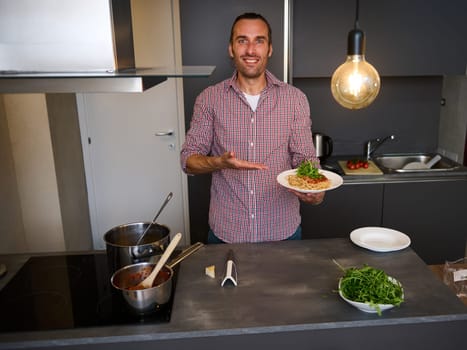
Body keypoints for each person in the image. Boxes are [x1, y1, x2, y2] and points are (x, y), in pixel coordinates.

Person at [180, 12, 324, 244]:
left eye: (259, 40)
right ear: (231, 48)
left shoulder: (295, 99)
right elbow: (188, 160)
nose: (250, 49)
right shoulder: (209, 99)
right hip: (226, 233)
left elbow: (304, 157)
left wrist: (316, 189)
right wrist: (219, 163)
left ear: (269, 49)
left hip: (282, 232)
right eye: (242, 40)